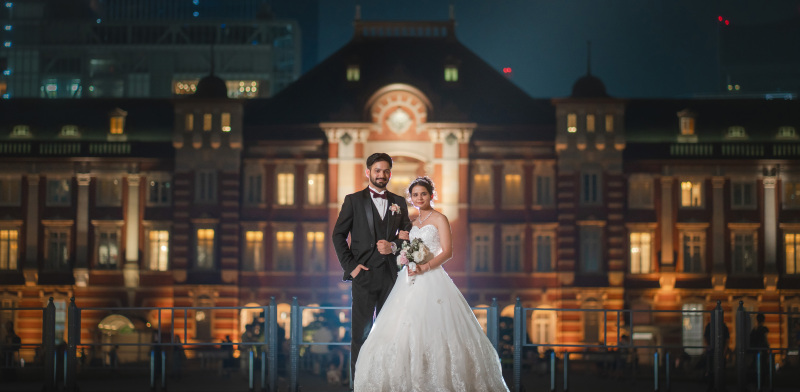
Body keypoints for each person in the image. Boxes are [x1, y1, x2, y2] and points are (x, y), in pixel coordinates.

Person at [353, 176, 509, 391]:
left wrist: (425, 267)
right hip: (408, 279)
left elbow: (447, 252)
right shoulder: (411, 223)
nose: (419, 198)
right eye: (415, 195)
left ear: (431, 195)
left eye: (423, 194)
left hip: (432, 277)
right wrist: (401, 253)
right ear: (411, 198)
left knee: (438, 330)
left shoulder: (440, 219)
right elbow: (403, 248)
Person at [332, 152, 412, 380]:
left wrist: (394, 246)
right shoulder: (353, 200)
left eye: (386, 171)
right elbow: (338, 235)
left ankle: (386, 382)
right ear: (368, 172)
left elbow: (408, 235)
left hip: (391, 277)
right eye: (377, 170)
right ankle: (360, 384)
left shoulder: (399, 202)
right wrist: (352, 267)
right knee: (361, 335)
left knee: (391, 333)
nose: (382, 175)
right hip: (363, 276)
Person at [749, 313, 769, 383]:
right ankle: (761, 383)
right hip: (763, 351)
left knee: (756, 367)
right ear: (763, 320)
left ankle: (757, 383)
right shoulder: (764, 329)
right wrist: (768, 348)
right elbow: (766, 340)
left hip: (755, 351)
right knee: (763, 368)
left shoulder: (754, 330)